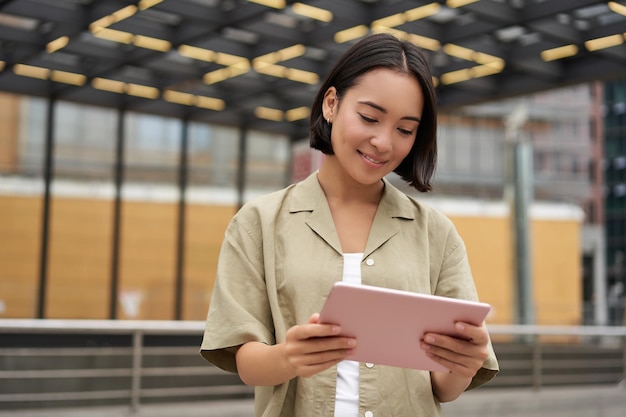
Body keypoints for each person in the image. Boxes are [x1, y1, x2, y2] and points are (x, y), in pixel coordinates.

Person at [200, 32, 499, 417]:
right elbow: (246, 362)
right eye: (369, 117)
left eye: (405, 130)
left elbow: (444, 387)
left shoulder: (437, 234)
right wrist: (289, 357)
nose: (383, 142)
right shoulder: (258, 223)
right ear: (331, 103)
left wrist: (464, 361)